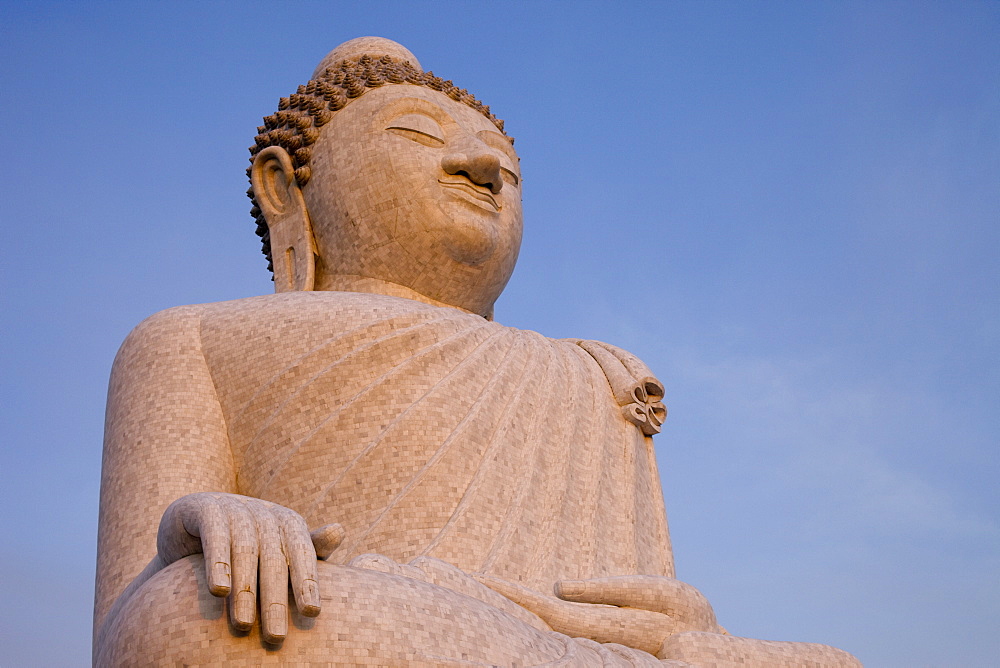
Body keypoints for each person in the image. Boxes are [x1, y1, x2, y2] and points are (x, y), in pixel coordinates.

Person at [93, 37, 861, 667]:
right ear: (284, 186)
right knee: (179, 616)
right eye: (417, 135)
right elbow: (120, 634)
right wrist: (195, 524)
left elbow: (640, 606)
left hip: (543, 642)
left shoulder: (589, 372)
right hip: (361, 614)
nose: (484, 169)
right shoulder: (186, 335)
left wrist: (683, 622)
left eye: (507, 166)